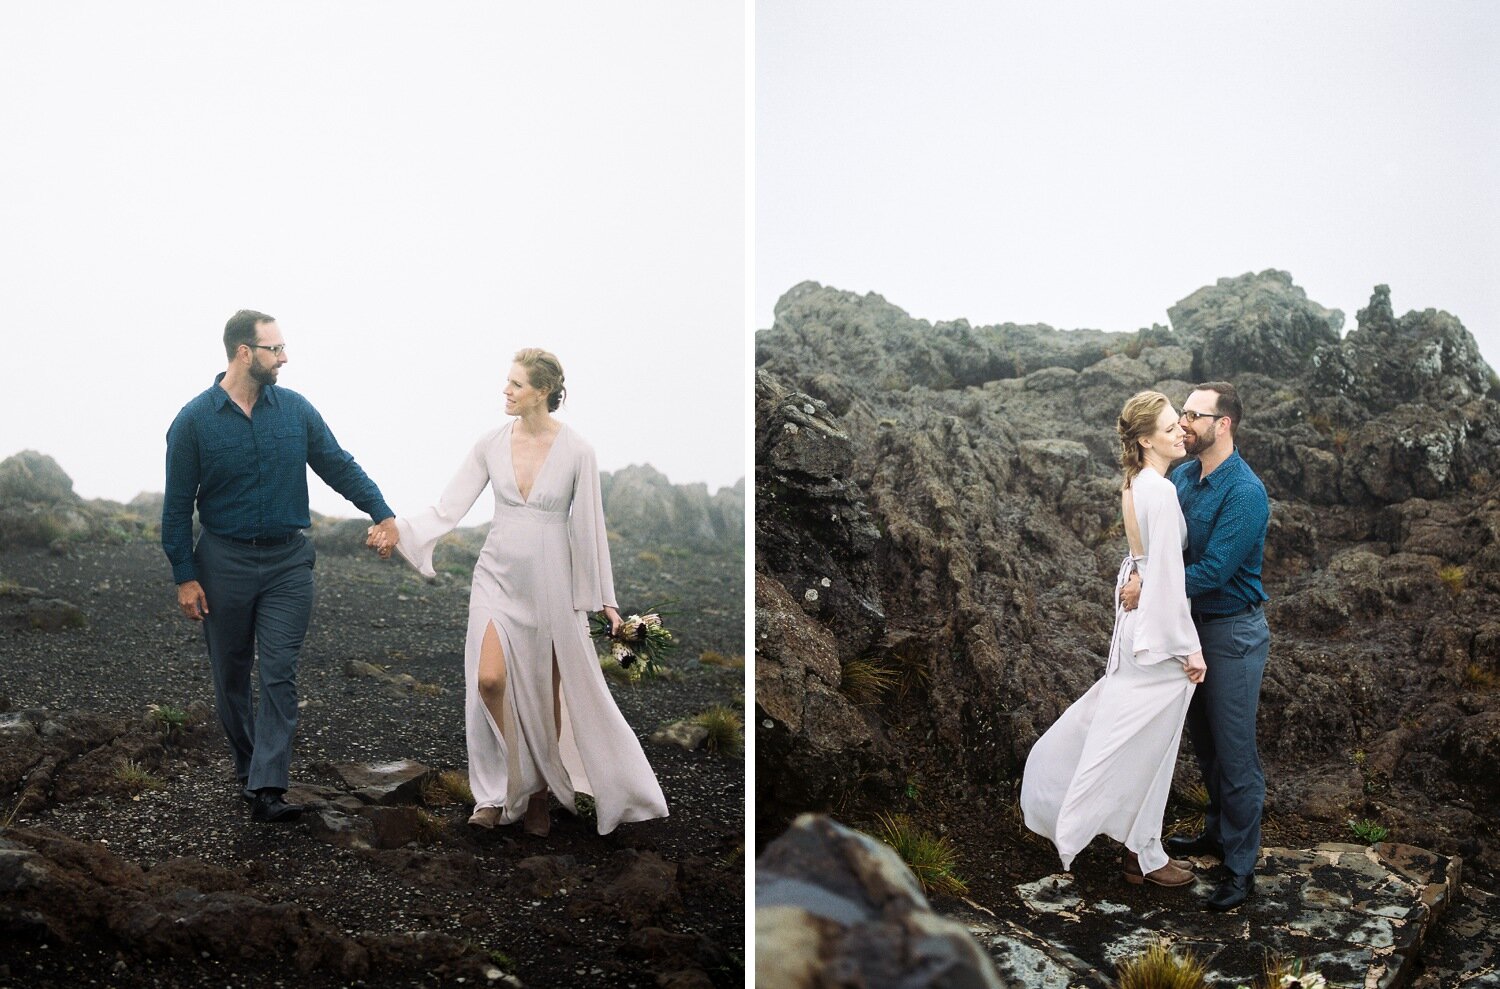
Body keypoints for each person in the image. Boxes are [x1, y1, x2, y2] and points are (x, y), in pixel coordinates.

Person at [367, 348, 668, 836]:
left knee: (547, 694)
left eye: (516, 385)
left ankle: (539, 795)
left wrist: (606, 602)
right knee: (488, 681)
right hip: (496, 575)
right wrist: (397, 530)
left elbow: (589, 527)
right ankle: (500, 788)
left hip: (553, 582)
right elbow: (448, 507)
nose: (505, 391)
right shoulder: (490, 443)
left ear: (543, 392)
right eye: (506, 382)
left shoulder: (578, 451)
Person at [163, 310, 398, 824]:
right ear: (245, 352)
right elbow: (177, 507)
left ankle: (269, 786)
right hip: (223, 560)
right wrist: (185, 575)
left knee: (278, 673)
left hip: (289, 561)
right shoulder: (192, 422)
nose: (284, 357)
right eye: (275, 349)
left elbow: (338, 464)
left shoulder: (295, 410)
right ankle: (249, 765)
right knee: (230, 675)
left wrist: (382, 511)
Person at [1021, 391, 1207, 887]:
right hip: (1158, 639)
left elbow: (1142, 563)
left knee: (1131, 735)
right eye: (1170, 428)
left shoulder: (1136, 483)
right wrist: (1189, 647)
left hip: (1136, 629)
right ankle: (1138, 851)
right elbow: (1166, 574)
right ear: (1145, 440)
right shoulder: (1161, 493)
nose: (1180, 433)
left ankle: (1142, 850)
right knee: (1150, 746)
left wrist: (1141, 581)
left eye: (1180, 425)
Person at [1120, 380, 1270, 912]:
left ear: (1222, 423)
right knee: (1205, 746)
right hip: (1187, 627)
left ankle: (1240, 868)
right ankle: (1216, 833)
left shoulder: (1245, 492)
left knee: (1235, 753)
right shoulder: (1183, 476)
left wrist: (1150, 584)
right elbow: (1158, 544)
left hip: (1231, 633)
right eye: (1181, 413)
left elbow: (1211, 571)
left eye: (1194, 415)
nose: (1184, 422)